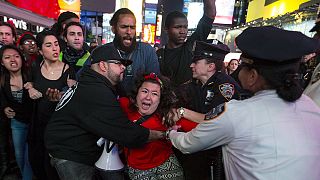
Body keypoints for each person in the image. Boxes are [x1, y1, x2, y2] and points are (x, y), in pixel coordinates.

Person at [166, 26, 320, 179]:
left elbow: (188, 144)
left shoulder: (236, 114)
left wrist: (170, 133)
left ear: (252, 76)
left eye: (242, 66)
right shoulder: (310, 106)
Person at [44, 43, 165, 180]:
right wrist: (162, 135)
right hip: (70, 155)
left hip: (71, 150)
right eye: (118, 64)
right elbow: (125, 132)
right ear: (103, 66)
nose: (123, 67)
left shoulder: (91, 83)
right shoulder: (96, 91)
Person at [175, 41, 241, 180]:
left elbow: (213, 120)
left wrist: (182, 112)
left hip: (216, 156)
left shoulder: (225, 87)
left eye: (196, 62)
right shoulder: (195, 84)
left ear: (210, 66)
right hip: (195, 150)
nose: (191, 65)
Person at [26, 30, 75, 180]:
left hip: (57, 129)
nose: (55, 48)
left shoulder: (68, 71)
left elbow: (74, 100)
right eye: (49, 45)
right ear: (40, 50)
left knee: (54, 168)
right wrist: (30, 88)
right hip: (38, 125)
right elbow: (28, 83)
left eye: (56, 44)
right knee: (38, 163)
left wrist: (62, 97)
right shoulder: (35, 66)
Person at [119, 73, 184, 180]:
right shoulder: (124, 105)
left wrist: (183, 112)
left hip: (166, 162)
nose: (148, 97)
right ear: (136, 94)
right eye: (144, 91)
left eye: (154, 94)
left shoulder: (168, 114)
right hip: (138, 167)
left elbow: (202, 125)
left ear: (160, 99)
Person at [157, 0, 216, 88]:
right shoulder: (158, 55)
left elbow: (210, 15)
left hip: (189, 100)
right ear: (166, 29)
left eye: (185, 27)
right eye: (177, 27)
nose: (182, 31)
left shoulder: (190, 46)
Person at [103, 8, 160, 94]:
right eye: (124, 27)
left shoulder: (148, 51)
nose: (129, 32)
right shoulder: (102, 52)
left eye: (132, 27)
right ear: (113, 29)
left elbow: (155, 84)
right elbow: (83, 78)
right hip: (109, 103)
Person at [0, 45, 34, 180]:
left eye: (16, 56)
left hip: (34, 123)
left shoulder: (31, 74)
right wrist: (4, 108)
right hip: (17, 124)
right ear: (2, 62)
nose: (13, 60)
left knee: (29, 157)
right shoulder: (2, 81)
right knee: (19, 156)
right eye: (7, 58)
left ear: (22, 58)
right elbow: (2, 101)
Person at [0, 21, 17, 178]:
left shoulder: (20, 58)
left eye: (7, 34)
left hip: (18, 113)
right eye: (1, 34)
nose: (4, 37)